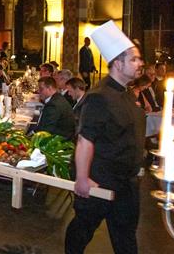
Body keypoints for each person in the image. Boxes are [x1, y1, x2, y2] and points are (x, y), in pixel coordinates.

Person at [65, 20, 145, 254]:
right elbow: (85, 140)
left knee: (125, 238)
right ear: (118, 64)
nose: (139, 63)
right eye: (133, 59)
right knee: (82, 229)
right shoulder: (99, 97)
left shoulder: (127, 94)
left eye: (139, 58)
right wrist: (82, 178)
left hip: (127, 184)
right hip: (100, 180)